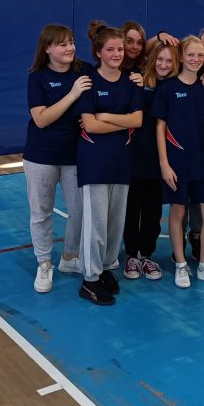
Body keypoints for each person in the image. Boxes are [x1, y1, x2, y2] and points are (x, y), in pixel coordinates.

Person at [75, 21, 143, 305]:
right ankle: (89, 279)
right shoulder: (89, 82)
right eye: (111, 50)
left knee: (115, 222)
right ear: (99, 52)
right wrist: (118, 121)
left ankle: (104, 268)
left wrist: (105, 117)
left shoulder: (131, 82)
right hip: (95, 162)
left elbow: (137, 120)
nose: (117, 54)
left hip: (121, 160)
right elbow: (89, 126)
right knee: (96, 223)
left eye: (120, 49)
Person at [155, 36, 204, 288]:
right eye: (190, 55)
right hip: (177, 161)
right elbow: (160, 127)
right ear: (181, 56)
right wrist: (164, 164)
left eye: (200, 55)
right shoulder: (167, 88)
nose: (196, 59)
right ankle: (180, 264)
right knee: (178, 212)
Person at [23, 24, 91, 294]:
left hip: (76, 155)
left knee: (80, 210)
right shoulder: (37, 78)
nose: (70, 47)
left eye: (71, 42)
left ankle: (70, 257)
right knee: (42, 212)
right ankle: (44, 264)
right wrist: (73, 94)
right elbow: (41, 119)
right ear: (48, 48)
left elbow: (112, 78)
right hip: (42, 156)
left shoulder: (84, 70)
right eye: (63, 44)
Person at [122, 41, 177, 281]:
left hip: (160, 158)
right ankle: (131, 255)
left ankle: (146, 255)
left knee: (153, 210)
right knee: (131, 208)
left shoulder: (175, 86)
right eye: (160, 59)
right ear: (152, 59)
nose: (163, 65)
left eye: (169, 60)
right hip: (135, 156)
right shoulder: (138, 82)